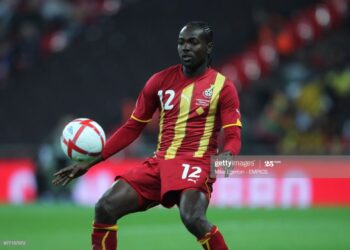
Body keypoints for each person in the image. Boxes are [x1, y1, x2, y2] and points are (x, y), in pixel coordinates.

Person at [53, 21, 242, 250]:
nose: (185, 48)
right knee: (105, 207)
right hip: (160, 163)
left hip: (196, 163)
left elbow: (233, 132)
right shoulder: (159, 81)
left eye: (193, 42)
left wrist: (229, 152)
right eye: (181, 42)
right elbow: (132, 127)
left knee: (192, 218)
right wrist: (91, 162)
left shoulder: (223, 87)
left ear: (209, 47)